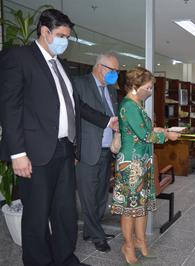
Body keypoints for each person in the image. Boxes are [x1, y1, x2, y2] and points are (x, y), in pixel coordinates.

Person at [0, 9, 118, 266]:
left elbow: (77, 106)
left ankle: (65, 259)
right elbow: (10, 108)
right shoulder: (19, 58)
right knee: (37, 216)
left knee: (64, 212)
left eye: (67, 36)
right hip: (34, 153)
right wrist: (17, 154)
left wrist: (107, 120)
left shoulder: (61, 66)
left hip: (65, 150)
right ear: (45, 31)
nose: (65, 41)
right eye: (61, 35)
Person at [110, 67, 180, 265]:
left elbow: (144, 129)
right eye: (148, 88)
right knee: (129, 209)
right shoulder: (129, 106)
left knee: (140, 207)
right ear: (134, 86)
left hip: (142, 162)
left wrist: (160, 129)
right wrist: (166, 135)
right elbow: (145, 135)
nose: (150, 92)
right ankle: (128, 245)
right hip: (131, 165)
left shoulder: (137, 104)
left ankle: (141, 242)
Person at [74, 52, 120, 252]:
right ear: (101, 67)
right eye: (113, 70)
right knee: (87, 194)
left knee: (101, 193)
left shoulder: (111, 89)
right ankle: (97, 235)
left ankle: (91, 230)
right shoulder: (79, 83)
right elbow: (77, 112)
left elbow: (114, 115)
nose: (116, 75)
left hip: (107, 149)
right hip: (87, 149)